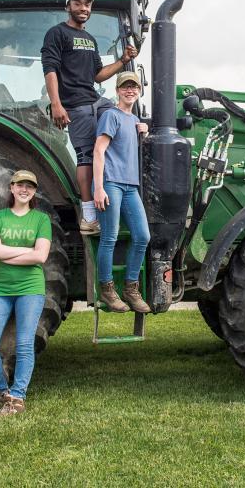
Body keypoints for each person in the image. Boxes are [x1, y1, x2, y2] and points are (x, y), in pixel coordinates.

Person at [42, 0, 138, 235]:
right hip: (75, 104)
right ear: (68, 7)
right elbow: (50, 68)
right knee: (85, 153)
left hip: (95, 100)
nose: (83, 8)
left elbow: (98, 75)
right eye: (78, 3)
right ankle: (88, 214)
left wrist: (122, 59)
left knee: (121, 118)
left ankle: (117, 190)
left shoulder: (90, 39)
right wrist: (57, 103)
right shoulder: (57, 33)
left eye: (87, 5)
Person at [0, 169, 52, 417]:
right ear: (11, 187)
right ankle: (0, 390)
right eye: (20, 185)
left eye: (29, 186)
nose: (24, 189)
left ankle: (17, 397)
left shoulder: (41, 220)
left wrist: (6, 251)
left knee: (24, 343)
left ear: (34, 191)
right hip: (0, 288)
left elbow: (41, 256)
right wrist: (25, 253)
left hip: (30, 288)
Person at [92, 71, 151, 314]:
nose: (130, 90)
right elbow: (98, 151)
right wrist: (99, 188)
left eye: (134, 87)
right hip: (112, 183)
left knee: (142, 236)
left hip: (131, 186)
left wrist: (144, 132)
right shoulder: (110, 116)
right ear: (117, 90)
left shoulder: (133, 119)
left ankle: (130, 288)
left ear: (138, 91)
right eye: (125, 87)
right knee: (110, 237)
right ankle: (107, 289)